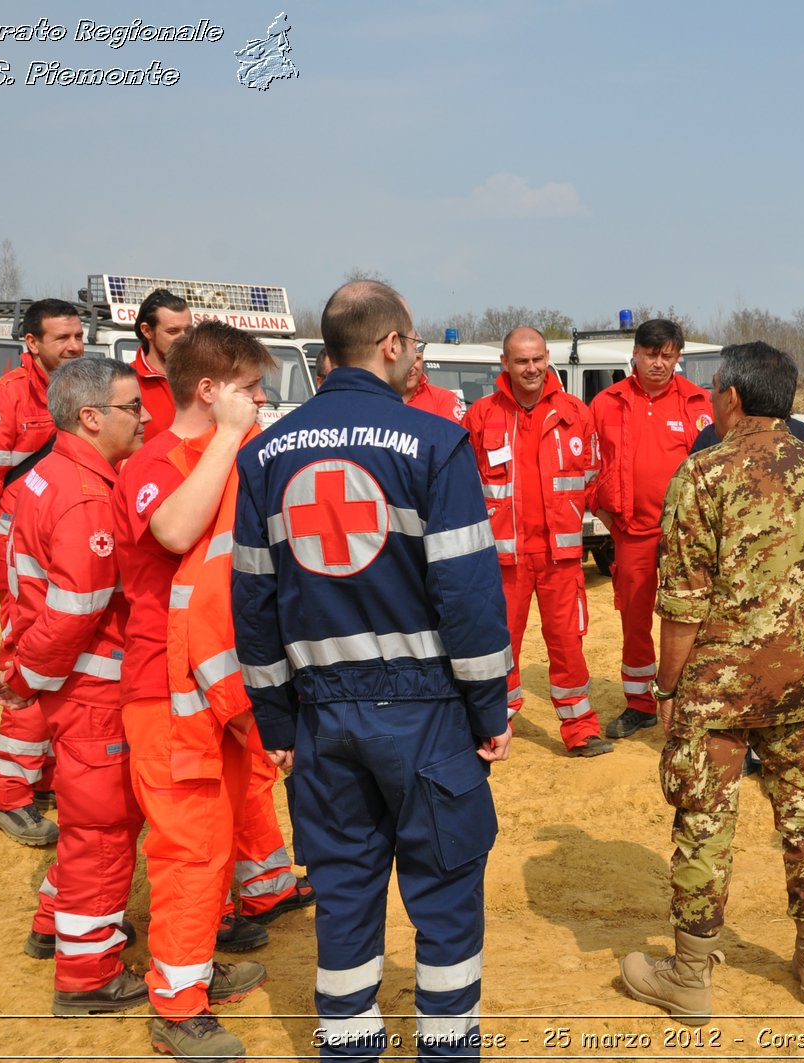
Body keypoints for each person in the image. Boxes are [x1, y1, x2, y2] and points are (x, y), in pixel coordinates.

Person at [234, 280, 511, 1061]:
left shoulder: (263, 456)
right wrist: (489, 711)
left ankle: (348, 1049)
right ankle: (448, 1050)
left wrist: (277, 719)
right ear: (392, 343)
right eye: (413, 344)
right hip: (425, 715)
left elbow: (252, 601)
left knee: (344, 893)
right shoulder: (435, 442)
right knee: (447, 890)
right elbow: (467, 595)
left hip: (321, 720)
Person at [619, 342, 804, 1024]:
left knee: (705, 820)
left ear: (734, 396)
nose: (712, 397)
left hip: (717, 685)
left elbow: (683, 603)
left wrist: (666, 690)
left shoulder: (703, 474)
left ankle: (689, 974)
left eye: (715, 387)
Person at [115, 322, 285, 1062]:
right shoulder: (150, 460)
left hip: (227, 685)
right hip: (165, 689)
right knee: (190, 849)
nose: (260, 402)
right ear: (211, 392)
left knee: (217, 844)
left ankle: (195, 967)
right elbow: (178, 529)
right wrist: (228, 438)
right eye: (251, 389)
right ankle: (177, 1008)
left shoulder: (241, 456)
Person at [0, 358, 149, 1014]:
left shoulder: (49, 474)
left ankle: (60, 923)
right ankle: (89, 975)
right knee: (102, 832)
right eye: (131, 407)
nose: (142, 417)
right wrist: (27, 676)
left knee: (91, 823)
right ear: (91, 416)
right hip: (95, 693)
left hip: (76, 690)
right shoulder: (87, 497)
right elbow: (76, 608)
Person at [0, 297, 86, 846]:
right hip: (26, 559)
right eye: (62, 339)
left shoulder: (81, 392)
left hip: (68, 553)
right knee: (29, 666)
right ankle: (6, 798)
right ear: (31, 344)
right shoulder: (2, 401)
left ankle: (42, 777)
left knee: (67, 666)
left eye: (79, 336)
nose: (75, 346)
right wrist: (6, 545)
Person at [464, 326, 611, 757]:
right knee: (498, 642)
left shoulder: (575, 413)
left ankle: (580, 728)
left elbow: (592, 477)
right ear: (504, 364)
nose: (531, 368)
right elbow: (466, 486)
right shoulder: (481, 416)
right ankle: (496, 724)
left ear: (548, 358)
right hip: (502, 557)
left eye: (537, 359)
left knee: (567, 642)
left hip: (560, 557)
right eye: (521, 361)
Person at [587, 319, 713, 739]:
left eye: (667, 355)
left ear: (678, 357)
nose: (658, 363)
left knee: (690, 619)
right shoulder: (606, 403)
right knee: (635, 620)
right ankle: (640, 703)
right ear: (635, 354)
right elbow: (588, 466)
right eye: (650, 354)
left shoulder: (699, 405)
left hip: (685, 536)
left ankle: (689, 702)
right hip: (631, 533)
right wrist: (604, 513)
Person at [133, 288, 192, 432]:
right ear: (147, 331)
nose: (183, 338)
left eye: (188, 330)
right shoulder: (127, 382)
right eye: (173, 331)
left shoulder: (208, 377)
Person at [402, 331, 466, 422]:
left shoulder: (444, 400)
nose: (411, 366)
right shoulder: (378, 398)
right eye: (405, 360)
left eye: (417, 358)